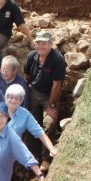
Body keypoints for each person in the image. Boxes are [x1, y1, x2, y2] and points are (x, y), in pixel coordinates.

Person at [24, 31, 66, 172]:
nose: (41, 46)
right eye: (38, 43)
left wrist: (52, 105)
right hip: (34, 93)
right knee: (31, 124)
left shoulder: (57, 59)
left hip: (50, 95)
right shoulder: (31, 56)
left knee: (48, 123)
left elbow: (57, 85)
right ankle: (33, 156)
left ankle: (46, 159)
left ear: (50, 44)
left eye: (44, 43)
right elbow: (27, 76)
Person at [3, 84, 57, 158]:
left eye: (17, 98)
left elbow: (40, 133)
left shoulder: (24, 114)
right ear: (6, 98)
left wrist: (51, 149)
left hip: (11, 153)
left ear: (21, 101)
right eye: (11, 97)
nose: (13, 100)